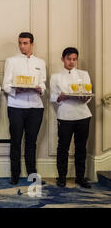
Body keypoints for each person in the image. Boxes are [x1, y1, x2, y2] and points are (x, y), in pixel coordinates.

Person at [3, 32, 46, 185]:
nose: (22, 46)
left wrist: (39, 88)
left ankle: (32, 174)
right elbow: (6, 85)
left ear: (32, 44)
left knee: (31, 142)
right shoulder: (11, 61)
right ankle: (14, 174)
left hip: (36, 107)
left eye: (25, 43)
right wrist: (16, 90)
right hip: (16, 106)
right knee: (15, 141)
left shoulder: (40, 62)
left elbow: (43, 84)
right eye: (20, 43)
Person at [50, 47, 92, 189]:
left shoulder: (84, 74)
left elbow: (88, 93)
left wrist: (85, 97)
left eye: (74, 59)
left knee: (81, 148)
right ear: (63, 59)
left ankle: (80, 177)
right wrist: (60, 97)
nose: (72, 62)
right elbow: (53, 97)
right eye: (69, 59)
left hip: (83, 115)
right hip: (65, 115)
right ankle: (62, 177)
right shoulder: (56, 77)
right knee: (63, 147)